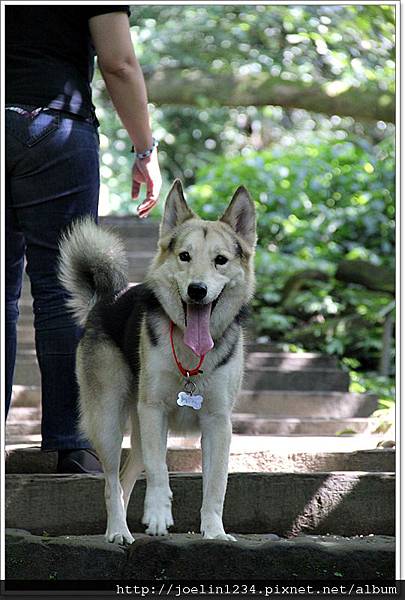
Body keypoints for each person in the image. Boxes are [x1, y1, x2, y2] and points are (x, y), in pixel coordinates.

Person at [5, 6, 162, 473]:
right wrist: (144, 148)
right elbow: (118, 63)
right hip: (54, 124)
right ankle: (71, 445)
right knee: (61, 293)